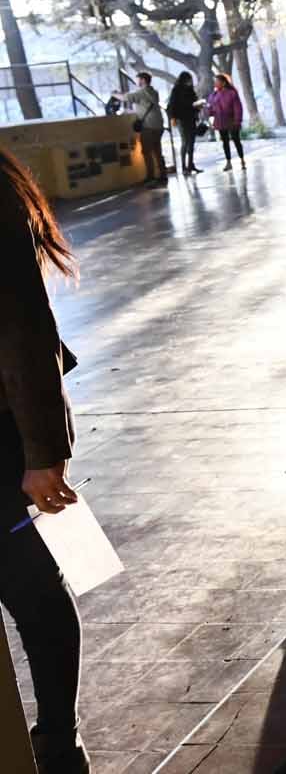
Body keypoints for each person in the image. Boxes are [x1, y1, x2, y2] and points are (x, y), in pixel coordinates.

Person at [0, 148, 89, 774]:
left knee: (38, 592)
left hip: (8, 437)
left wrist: (42, 453)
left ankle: (58, 742)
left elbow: (25, 329)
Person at [124, 72, 166, 186]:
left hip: (148, 126)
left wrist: (114, 94)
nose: (137, 82)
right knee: (158, 152)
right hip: (159, 125)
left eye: (138, 79)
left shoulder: (142, 92)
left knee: (147, 152)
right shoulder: (154, 92)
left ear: (142, 80)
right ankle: (163, 175)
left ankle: (151, 177)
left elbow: (126, 98)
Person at [206, 73, 246, 172]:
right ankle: (228, 162)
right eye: (215, 81)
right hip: (220, 121)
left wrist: (237, 120)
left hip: (232, 121)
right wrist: (207, 110)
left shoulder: (231, 93)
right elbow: (211, 108)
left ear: (223, 83)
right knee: (225, 142)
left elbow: (238, 107)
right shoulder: (213, 95)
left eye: (217, 81)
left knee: (236, 140)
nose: (215, 83)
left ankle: (242, 160)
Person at [166, 72, 203, 176]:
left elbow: (194, 102)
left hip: (191, 118)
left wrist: (198, 106)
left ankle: (190, 164)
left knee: (191, 142)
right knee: (185, 141)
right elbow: (172, 105)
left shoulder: (190, 90)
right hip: (181, 119)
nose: (190, 81)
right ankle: (184, 166)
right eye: (189, 79)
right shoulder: (177, 90)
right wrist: (173, 118)